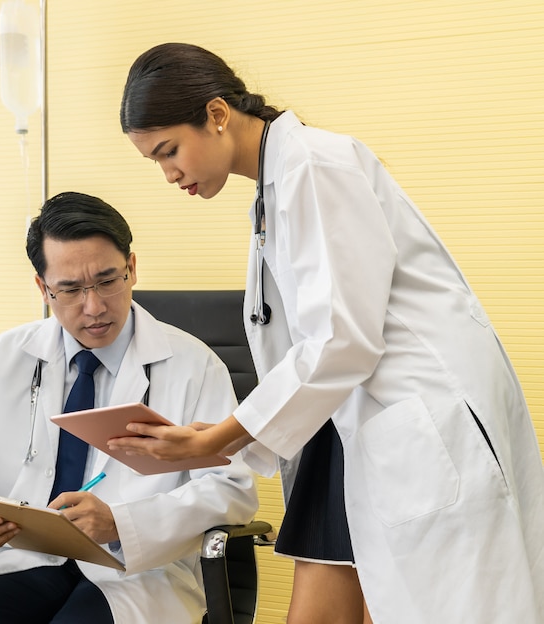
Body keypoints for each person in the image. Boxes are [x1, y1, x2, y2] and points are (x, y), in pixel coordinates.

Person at [115, 43, 544, 624]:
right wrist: (226, 434)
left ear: (216, 114)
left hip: (422, 420)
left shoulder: (315, 166)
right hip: (358, 424)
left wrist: (221, 439)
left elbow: (342, 339)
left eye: (169, 151)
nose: (169, 174)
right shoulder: (278, 185)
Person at [0, 191, 258, 624]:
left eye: (107, 280)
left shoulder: (194, 364)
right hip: (24, 558)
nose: (94, 306)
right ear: (43, 289)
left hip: (137, 570)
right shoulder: (7, 355)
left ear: (132, 268)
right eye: (70, 290)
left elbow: (230, 489)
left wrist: (122, 522)